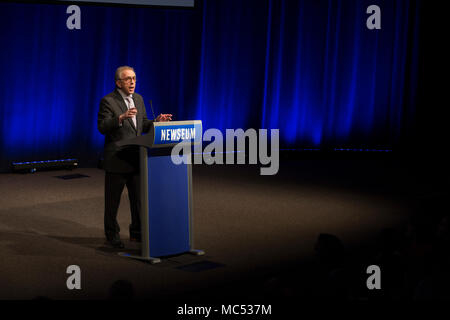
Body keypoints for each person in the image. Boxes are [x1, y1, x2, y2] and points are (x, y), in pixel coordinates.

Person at [98, 66, 172, 248]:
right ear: (118, 83)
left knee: (138, 199)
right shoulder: (108, 100)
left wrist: (156, 122)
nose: (132, 82)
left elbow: (143, 124)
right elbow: (102, 127)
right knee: (112, 201)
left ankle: (136, 233)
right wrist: (121, 118)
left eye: (134, 78)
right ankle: (112, 236)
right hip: (117, 158)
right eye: (128, 79)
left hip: (136, 157)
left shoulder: (138, 99)